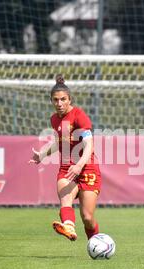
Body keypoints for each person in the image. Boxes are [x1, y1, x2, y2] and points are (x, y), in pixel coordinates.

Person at [29, 74, 101, 241]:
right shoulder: (54, 119)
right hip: (66, 167)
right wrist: (42, 155)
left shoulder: (79, 115)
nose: (59, 104)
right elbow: (60, 142)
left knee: (88, 218)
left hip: (87, 167)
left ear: (70, 100)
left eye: (63, 99)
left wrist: (79, 165)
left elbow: (89, 145)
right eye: (55, 100)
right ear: (51, 101)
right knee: (65, 199)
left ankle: (96, 242)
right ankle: (68, 226)